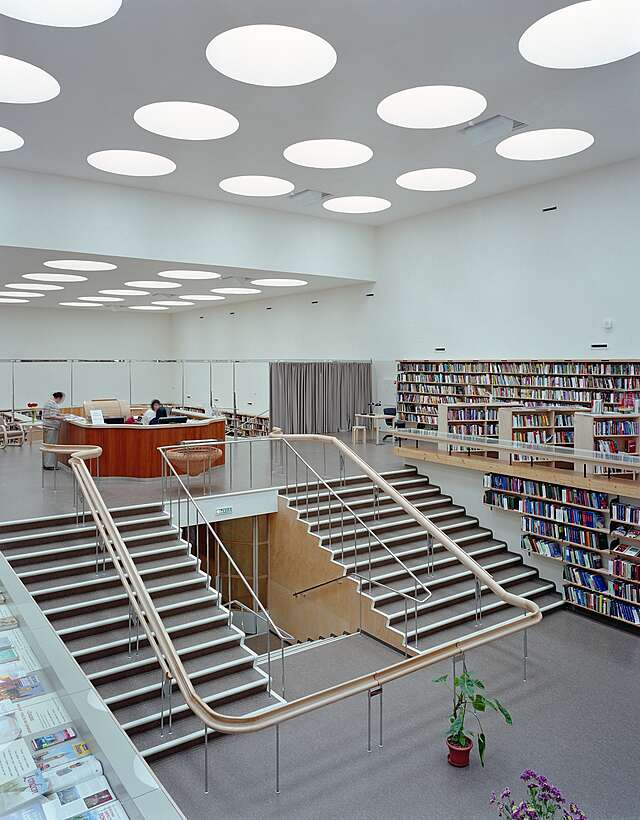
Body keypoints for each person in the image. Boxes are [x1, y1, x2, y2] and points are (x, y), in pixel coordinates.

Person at [42, 391, 65, 470]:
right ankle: (50, 465)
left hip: (47, 426)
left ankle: (47, 463)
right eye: (62, 399)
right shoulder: (53, 404)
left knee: (48, 445)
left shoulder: (48, 402)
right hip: (51, 427)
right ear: (58, 398)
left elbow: (52, 414)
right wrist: (62, 418)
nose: (62, 401)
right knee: (51, 446)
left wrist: (62, 415)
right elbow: (52, 416)